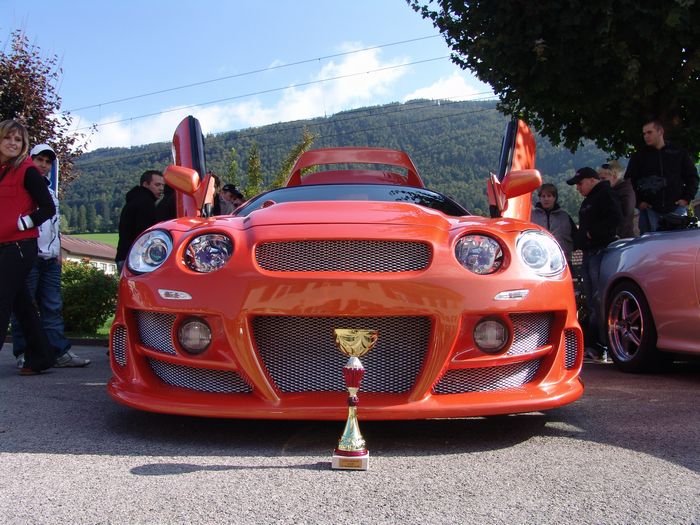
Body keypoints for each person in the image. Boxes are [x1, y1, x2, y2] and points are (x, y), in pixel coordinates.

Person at [11, 144, 90, 369]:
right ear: (30, 160)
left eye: (48, 162)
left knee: (53, 306)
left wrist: (59, 251)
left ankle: (58, 352)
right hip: (28, 255)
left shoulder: (52, 194)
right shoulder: (21, 187)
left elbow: (54, 225)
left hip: (50, 259)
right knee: (24, 307)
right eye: (39, 160)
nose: (44, 165)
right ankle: (25, 353)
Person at [0, 120, 56, 375]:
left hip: (20, 247)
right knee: (21, 304)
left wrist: (24, 223)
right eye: (7, 137)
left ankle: (40, 356)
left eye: (18, 140)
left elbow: (48, 207)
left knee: (2, 299)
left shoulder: (27, 170)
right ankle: (41, 357)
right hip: (3, 245)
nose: (12, 143)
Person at [567, 167, 622, 363]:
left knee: (599, 300)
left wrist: (594, 234)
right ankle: (595, 345)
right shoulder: (590, 198)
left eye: (580, 183)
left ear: (592, 180)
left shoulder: (605, 194)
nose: (578, 188)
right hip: (589, 252)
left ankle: (603, 345)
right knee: (592, 301)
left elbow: (616, 218)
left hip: (600, 251)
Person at [626, 118, 699, 233]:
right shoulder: (639, 157)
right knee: (651, 243)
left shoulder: (678, 153)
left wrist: (686, 198)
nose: (646, 136)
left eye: (649, 132)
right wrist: (639, 202)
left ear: (660, 132)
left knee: (677, 241)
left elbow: (692, 177)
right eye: (644, 133)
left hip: (676, 208)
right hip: (649, 209)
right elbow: (629, 181)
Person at [115, 170, 165, 273]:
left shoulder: (134, 200)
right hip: (136, 260)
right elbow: (146, 233)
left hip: (124, 256)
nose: (161, 189)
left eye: (162, 185)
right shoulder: (146, 203)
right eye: (157, 185)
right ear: (145, 184)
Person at [530, 182, 577, 263]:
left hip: (563, 260)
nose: (546, 199)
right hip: (538, 261)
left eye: (549, 196)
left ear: (554, 198)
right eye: (543, 196)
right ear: (539, 198)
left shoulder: (564, 217)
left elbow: (576, 237)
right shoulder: (531, 216)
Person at [598, 161, 636, 238]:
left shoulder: (625, 191)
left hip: (622, 237)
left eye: (603, 178)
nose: (601, 182)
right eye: (600, 179)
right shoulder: (614, 191)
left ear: (614, 176)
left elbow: (625, 212)